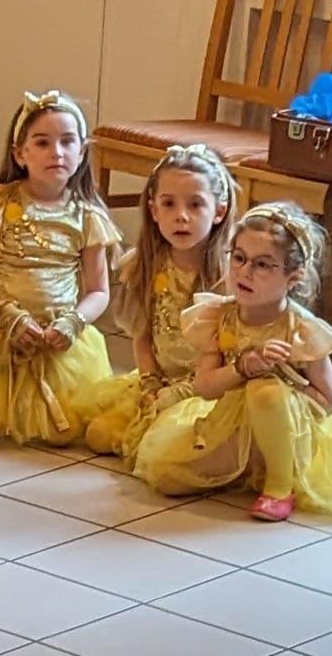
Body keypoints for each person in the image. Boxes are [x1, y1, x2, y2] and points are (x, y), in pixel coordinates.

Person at [133, 202, 332, 521]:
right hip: (232, 424)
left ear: (293, 278)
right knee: (167, 476)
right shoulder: (220, 317)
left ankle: (279, 484)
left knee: (265, 391)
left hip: (290, 429)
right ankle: (245, 470)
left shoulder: (299, 329)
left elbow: (326, 403)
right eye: (239, 258)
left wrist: (280, 379)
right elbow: (205, 387)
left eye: (262, 265)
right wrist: (242, 368)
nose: (245, 272)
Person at [0, 90, 120, 445]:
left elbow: (98, 290)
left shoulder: (89, 217)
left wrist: (74, 322)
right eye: (42, 143)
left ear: (82, 152)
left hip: (56, 341)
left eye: (67, 142)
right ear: (20, 154)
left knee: (65, 431)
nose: (56, 152)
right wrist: (3, 314)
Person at [85, 145, 236, 459]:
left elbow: (228, 355)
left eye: (195, 204)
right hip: (160, 379)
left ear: (219, 212)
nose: (181, 216)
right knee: (99, 435)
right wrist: (150, 382)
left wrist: (182, 392)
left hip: (207, 387)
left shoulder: (228, 275)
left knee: (174, 451)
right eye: (169, 204)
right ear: (154, 211)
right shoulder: (145, 265)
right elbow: (143, 335)